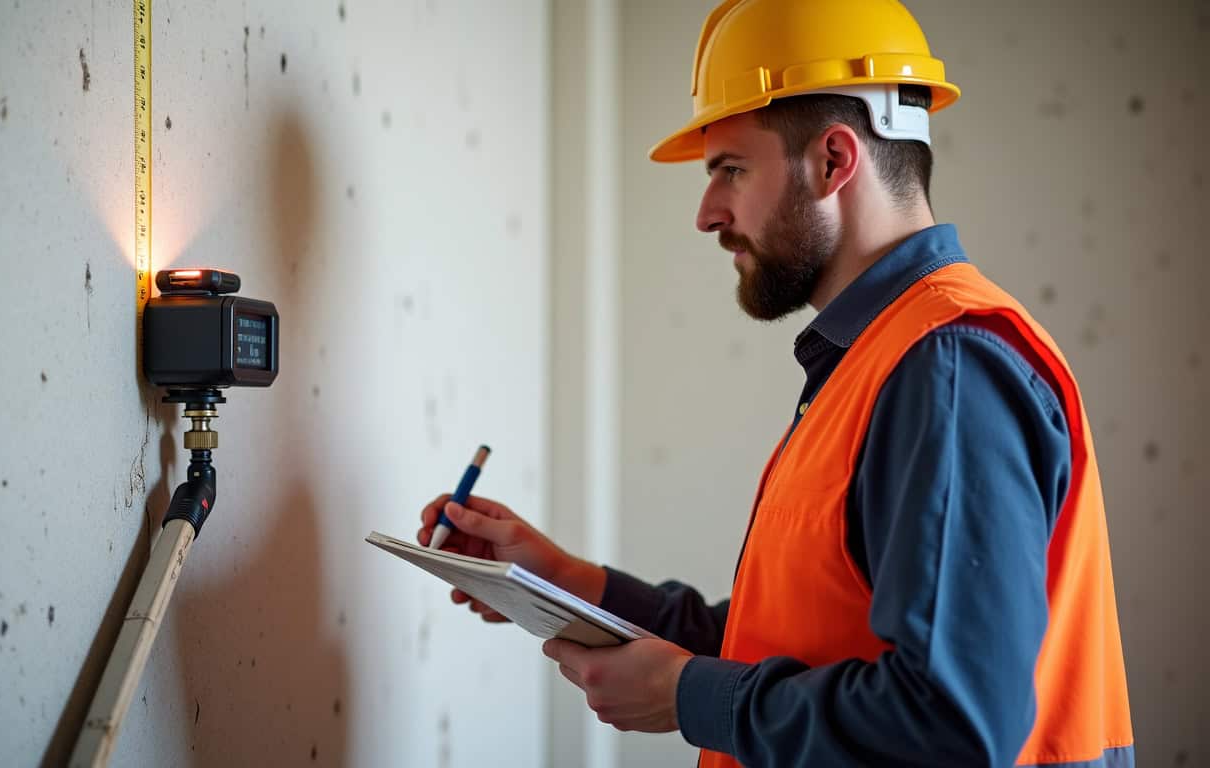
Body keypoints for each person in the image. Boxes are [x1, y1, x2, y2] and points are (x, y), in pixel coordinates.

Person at [417, 1, 1134, 765]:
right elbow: (791, 644)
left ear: (833, 161)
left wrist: (688, 696)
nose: (706, 214)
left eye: (730, 169)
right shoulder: (877, 360)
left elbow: (952, 724)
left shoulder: (947, 366)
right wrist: (569, 584)